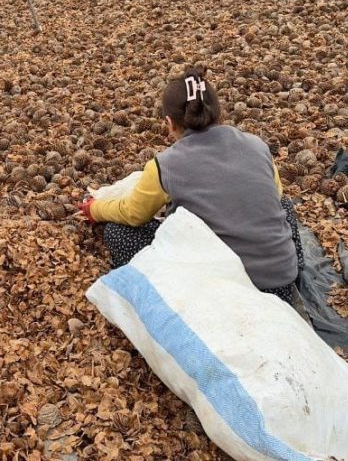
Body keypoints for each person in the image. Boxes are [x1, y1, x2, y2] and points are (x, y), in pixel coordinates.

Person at [76, 68, 304, 304]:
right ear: (219, 113)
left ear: (169, 123)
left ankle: (161, 300)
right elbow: (274, 195)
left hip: (217, 292)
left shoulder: (165, 166)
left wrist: (94, 209)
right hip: (279, 283)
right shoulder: (257, 146)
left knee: (119, 233)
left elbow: (133, 213)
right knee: (285, 206)